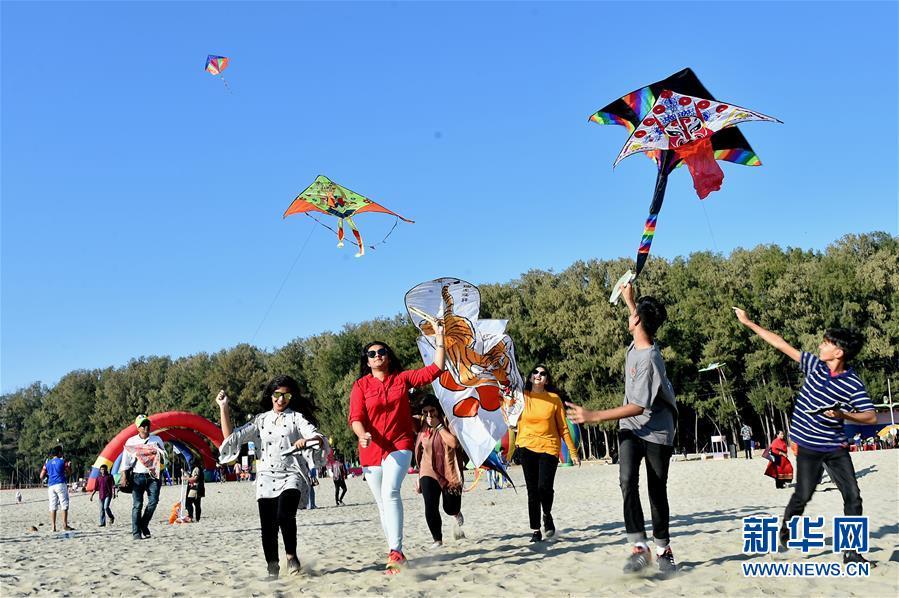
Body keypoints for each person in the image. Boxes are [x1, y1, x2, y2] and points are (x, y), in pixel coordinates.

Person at [733, 311, 877, 566]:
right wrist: (748, 323)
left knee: (853, 496)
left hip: (835, 447)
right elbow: (780, 343)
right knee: (803, 495)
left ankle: (852, 553)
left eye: (827, 343)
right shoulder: (814, 365)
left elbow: (871, 417)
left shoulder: (852, 383)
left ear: (839, 352)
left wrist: (844, 414)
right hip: (808, 446)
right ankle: (785, 528)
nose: (821, 345)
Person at [567, 284, 677, 574]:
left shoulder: (650, 358)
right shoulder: (639, 341)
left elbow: (639, 405)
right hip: (631, 428)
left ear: (638, 322)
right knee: (627, 481)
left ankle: (663, 550)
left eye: (633, 315)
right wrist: (631, 301)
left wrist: (594, 415)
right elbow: (637, 322)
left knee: (656, 491)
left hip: (657, 431)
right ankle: (639, 547)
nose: (630, 318)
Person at [348, 332, 446, 574]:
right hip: (370, 450)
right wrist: (361, 434)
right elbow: (355, 418)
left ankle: (396, 552)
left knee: (390, 490)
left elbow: (436, 368)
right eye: (372, 354)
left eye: (382, 352)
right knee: (382, 503)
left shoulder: (401, 379)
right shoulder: (360, 386)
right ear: (367, 361)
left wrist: (441, 337)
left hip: (399, 443)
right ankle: (394, 548)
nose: (377, 356)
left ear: (388, 357)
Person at [216, 375, 325, 579]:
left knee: (285, 514)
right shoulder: (261, 420)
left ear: (291, 397)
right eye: (277, 394)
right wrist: (224, 407)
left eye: (285, 395)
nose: (281, 399)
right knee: (268, 525)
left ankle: (291, 557)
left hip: (291, 473)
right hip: (265, 476)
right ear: (271, 395)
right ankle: (272, 567)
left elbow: (316, 436)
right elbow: (232, 438)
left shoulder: (296, 418)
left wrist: (308, 440)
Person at [515, 364, 579, 543]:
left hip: (549, 448)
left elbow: (563, 428)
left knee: (545, 488)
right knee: (532, 491)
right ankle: (535, 530)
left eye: (542, 374)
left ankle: (547, 514)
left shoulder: (554, 399)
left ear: (547, 379)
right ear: (530, 377)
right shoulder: (522, 397)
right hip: (526, 447)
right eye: (535, 372)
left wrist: (573, 452)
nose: (538, 375)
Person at [414, 395, 465, 549]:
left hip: (448, 470)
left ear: (438, 409)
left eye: (432, 411)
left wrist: (438, 426)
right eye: (426, 412)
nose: (429, 415)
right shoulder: (421, 424)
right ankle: (437, 539)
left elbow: (454, 443)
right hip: (427, 470)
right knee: (430, 505)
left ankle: (456, 512)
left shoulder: (449, 421)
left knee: (449, 507)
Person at [119, 414, 166, 540]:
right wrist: (123, 476)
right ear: (138, 427)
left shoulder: (156, 439)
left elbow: (163, 457)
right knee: (137, 505)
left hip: (153, 476)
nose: (146, 427)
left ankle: (144, 524)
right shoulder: (131, 441)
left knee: (153, 502)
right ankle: (136, 533)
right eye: (143, 425)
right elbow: (125, 461)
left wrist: (159, 454)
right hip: (137, 476)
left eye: (147, 424)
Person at [40, 445, 74, 532]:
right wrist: (69, 466)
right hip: (60, 484)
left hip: (51, 485)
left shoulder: (48, 462)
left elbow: (41, 476)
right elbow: (69, 473)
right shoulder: (62, 461)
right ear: (59, 453)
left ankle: (53, 527)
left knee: (52, 506)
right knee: (64, 504)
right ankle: (65, 525)